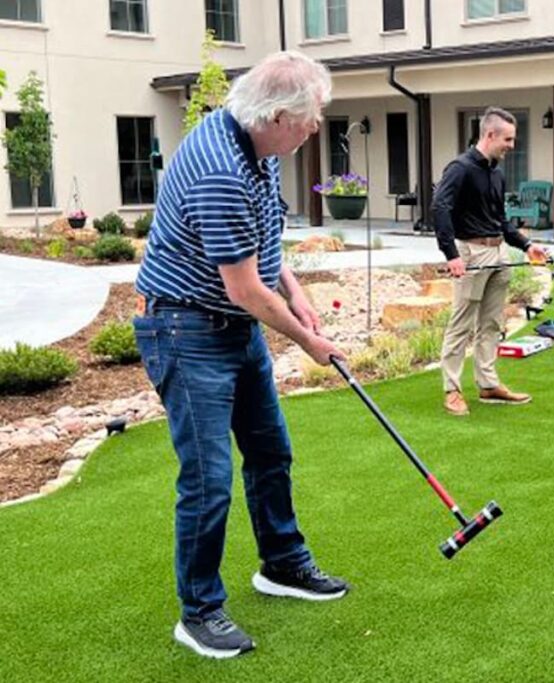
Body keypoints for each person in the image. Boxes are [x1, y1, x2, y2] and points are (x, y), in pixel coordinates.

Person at [133, 51, 350, 660]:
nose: (316, 127)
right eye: (312, 118)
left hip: (230, 324)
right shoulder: (222, 167)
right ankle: (198, 611)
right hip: (183, 327)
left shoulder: (260, 148)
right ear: (279, 115)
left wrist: (301, 297)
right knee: (208, 481)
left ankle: (281, 564)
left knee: (270, 451)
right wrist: (308, 340)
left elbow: (264, 248)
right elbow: (244, 288)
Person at [432, 106, 549, 416]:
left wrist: (526, 246)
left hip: (499, 254)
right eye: (508, 139)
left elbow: (501, 220)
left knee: (492, 323)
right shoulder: (459, 168)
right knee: (461, 325)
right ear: (490, 134)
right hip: (471, 253)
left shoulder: (496, 172)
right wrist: (451, 255)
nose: (512, 145)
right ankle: (452, 390)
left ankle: (488, 384)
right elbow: (439, 208)